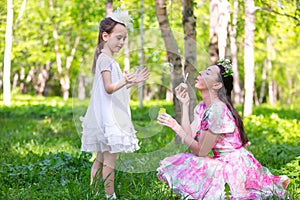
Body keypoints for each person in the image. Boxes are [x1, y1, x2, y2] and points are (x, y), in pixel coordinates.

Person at [157, 59, 289, 199]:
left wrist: (175, 127)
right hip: (221, 160)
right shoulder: (203, 107)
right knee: (188, 161)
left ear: (217, 85)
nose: (200, 72)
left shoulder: (218, 111)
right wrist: (185, 104)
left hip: (235, 167)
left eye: (207, 72)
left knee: (191, 162)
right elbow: (189, 135)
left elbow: (200, 151)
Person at [80, 8, 149, 199]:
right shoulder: (105, 59)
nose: (122, 42)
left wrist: (130, 82)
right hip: (109, 119)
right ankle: (110, 196)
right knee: (109, 161)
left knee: (101, 160)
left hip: (108, 115)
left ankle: (93, 194)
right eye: (118, 37)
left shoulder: (108, 59)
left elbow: (111, 91)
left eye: (124, 39)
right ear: (105, 36)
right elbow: (109, 87)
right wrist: (126, 81)